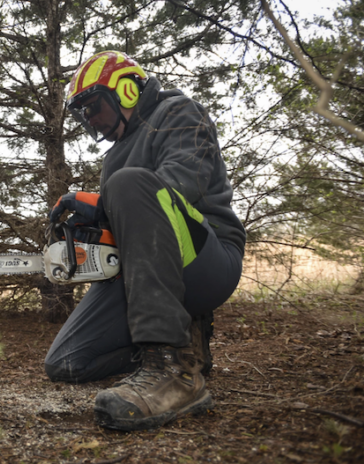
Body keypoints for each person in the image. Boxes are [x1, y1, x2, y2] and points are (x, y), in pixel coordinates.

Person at [43, 51, 246, 431]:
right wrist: (91, 234)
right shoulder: (114, 158)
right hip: (144, 272)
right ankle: (186, 340)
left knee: (127, 184)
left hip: (208, 257)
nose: (90, 119)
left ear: (125, 90)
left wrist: (102, 203)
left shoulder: (179, 113)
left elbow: (184, 183)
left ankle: (172, 370)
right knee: (67, 362)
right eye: (83, 113)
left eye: (94, 106)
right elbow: (124, 225)